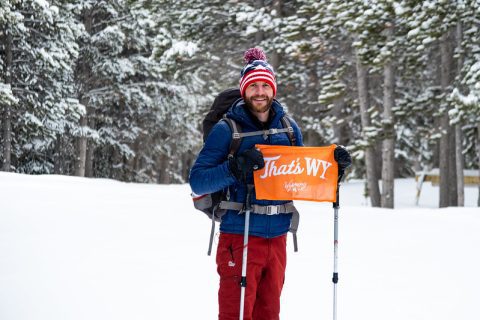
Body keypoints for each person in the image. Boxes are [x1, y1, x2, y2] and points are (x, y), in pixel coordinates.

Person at [189, 48, 351, 320]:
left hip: (277, 237)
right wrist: (234, 167)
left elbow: (300, 174)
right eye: (253, 86)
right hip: (239, 235)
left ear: (273, 90)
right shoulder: (227, 129)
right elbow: (198, 180)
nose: (260, 92)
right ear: (244, 91)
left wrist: (334, 169)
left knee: (269, 313)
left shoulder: (288, 128)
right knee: (236, 313)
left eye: (265, 85)